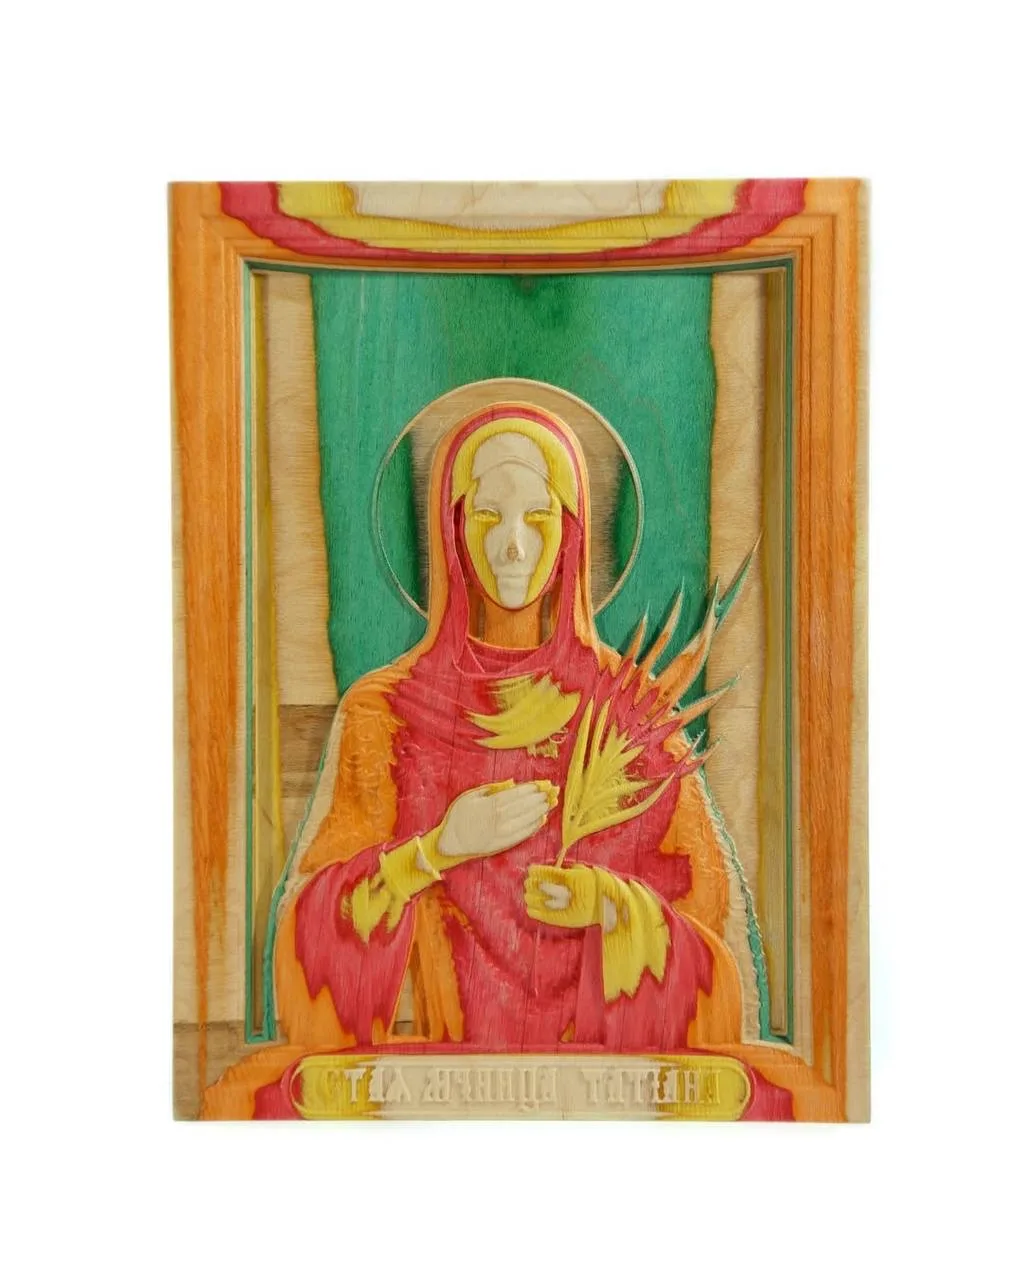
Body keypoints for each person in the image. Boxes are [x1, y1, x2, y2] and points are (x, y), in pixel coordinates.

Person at [204, 402, 836, 1119]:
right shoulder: (388, 712)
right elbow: (315, 941)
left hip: (606, 1095)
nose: (512, 546)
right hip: (440, 1092)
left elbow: (709, 946)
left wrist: (608, 906)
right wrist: (435, 851)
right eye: (488, 516)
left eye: (537, 517)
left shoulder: (628, 715)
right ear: (452, 529)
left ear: (571, 534)